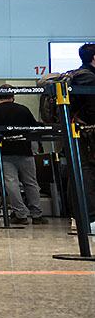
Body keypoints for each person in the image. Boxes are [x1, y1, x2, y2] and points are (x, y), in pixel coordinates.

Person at [0, 86, 45, 225]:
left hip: (4, 152)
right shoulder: (23, 109)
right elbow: (33, 127)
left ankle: (21, 214)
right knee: (31, 183)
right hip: (25, 150)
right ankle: (37, 215)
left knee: (11, 184)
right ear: (13, 95)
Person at [65, 43, 95, 233]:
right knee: (86, 173)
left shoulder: (78, 75)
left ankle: (79, 217)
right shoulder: (88, 77)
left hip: (78, 132)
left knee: (79, 172)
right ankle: (89, 219)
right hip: (87, 133)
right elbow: (92, 108)